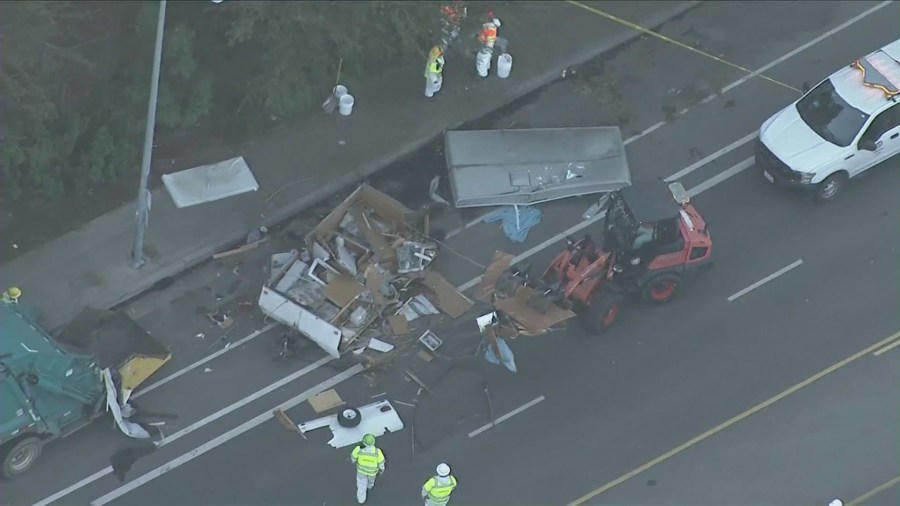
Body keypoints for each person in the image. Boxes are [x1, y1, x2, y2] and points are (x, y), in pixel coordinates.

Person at [350, 434, 385, 504]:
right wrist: (381, 470)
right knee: (371, 480)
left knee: (361, 484)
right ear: (374, 442)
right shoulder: (377, 452)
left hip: (361, 471)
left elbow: (353, 458)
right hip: (372, 472)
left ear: (363, 442)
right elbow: (381, 463)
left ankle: (361, 499)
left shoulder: (358, 449)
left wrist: (353, 461)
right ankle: (369, 486)